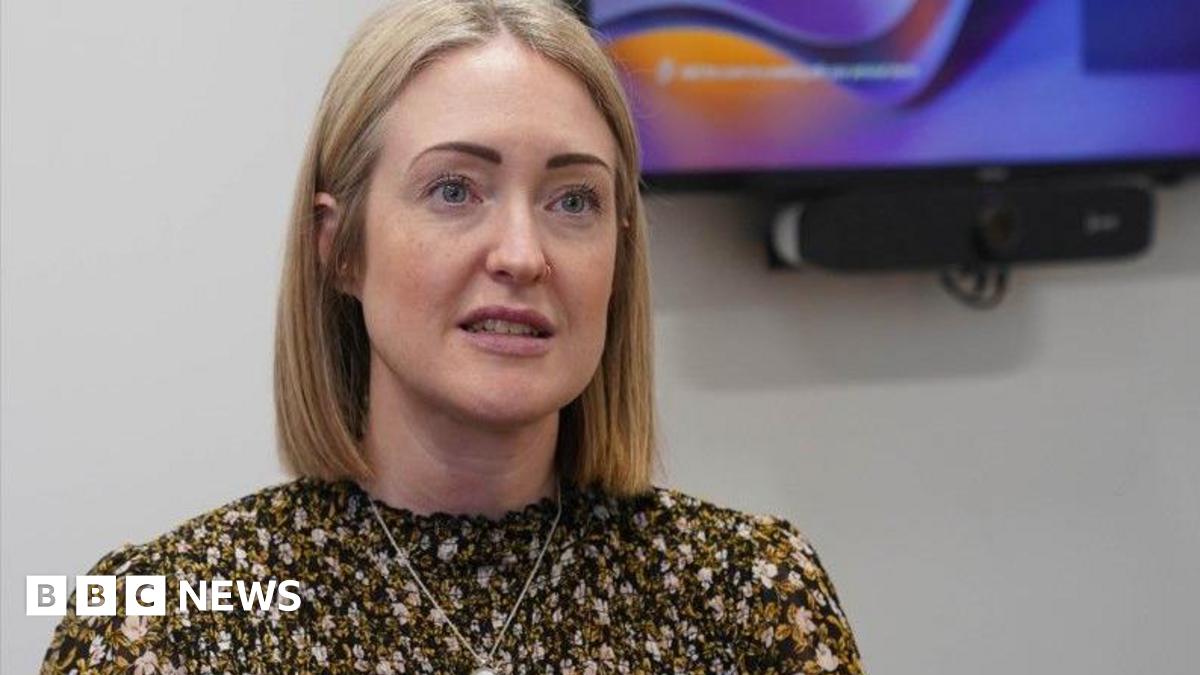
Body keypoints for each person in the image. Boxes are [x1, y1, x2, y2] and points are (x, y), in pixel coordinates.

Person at [41, 1, 864, 672]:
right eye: (454, 189)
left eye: (572, 200)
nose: (521, 255)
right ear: (340, 248)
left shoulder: (751, 597)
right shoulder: (162, 615)